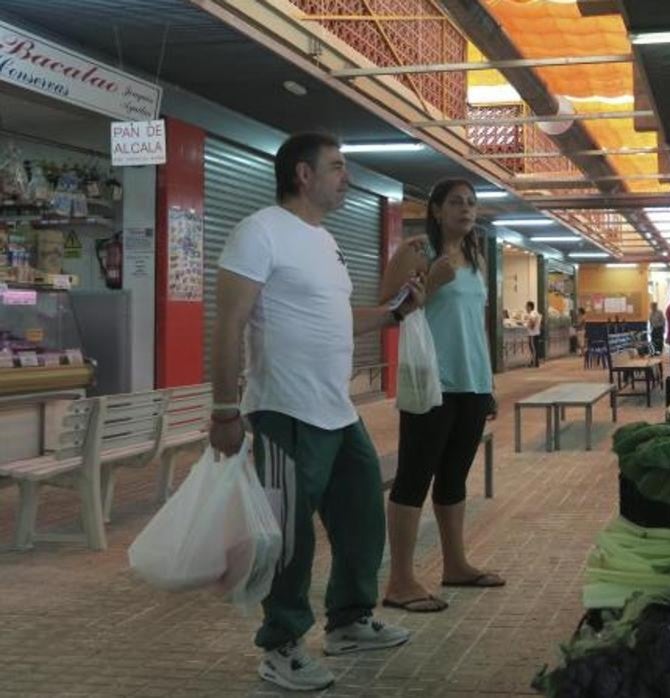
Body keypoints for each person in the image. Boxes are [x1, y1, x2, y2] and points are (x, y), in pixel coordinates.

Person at [209, 132, 414, 692]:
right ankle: (281, 645)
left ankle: (348, 620)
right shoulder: (258, 232)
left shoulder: (325, 241)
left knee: (361, 519)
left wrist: (397, 312)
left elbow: (339, 317)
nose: (346, 177)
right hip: (283, 411)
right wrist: (224, 409)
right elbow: (228, 323)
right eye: (338, 168)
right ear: (304, 174)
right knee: (290, 537)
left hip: (336, 410)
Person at [380, 178, 504, 622]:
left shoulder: (475, 256)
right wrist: (429, 281)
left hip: (471, 382)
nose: (466, 209)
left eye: (471, 203)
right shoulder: (416, 250)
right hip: (430, 381)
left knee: (453, 477)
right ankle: (400, 581)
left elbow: (476, 324)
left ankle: (456, 565)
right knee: (414, 477)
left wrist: (488, 383)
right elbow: (385, 309)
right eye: (455, 202)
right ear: (435, 209)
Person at [525, 300, 542, 367]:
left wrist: (530, 326)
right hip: (536, 333)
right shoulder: (536, 313)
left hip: (532, 334)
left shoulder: (532, 313)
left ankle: (534, 363)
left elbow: (533, 321)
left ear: (529, 307)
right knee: (535, 348)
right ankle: (535, 362)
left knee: (533, 348)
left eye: (526, 306)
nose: (526, 308)